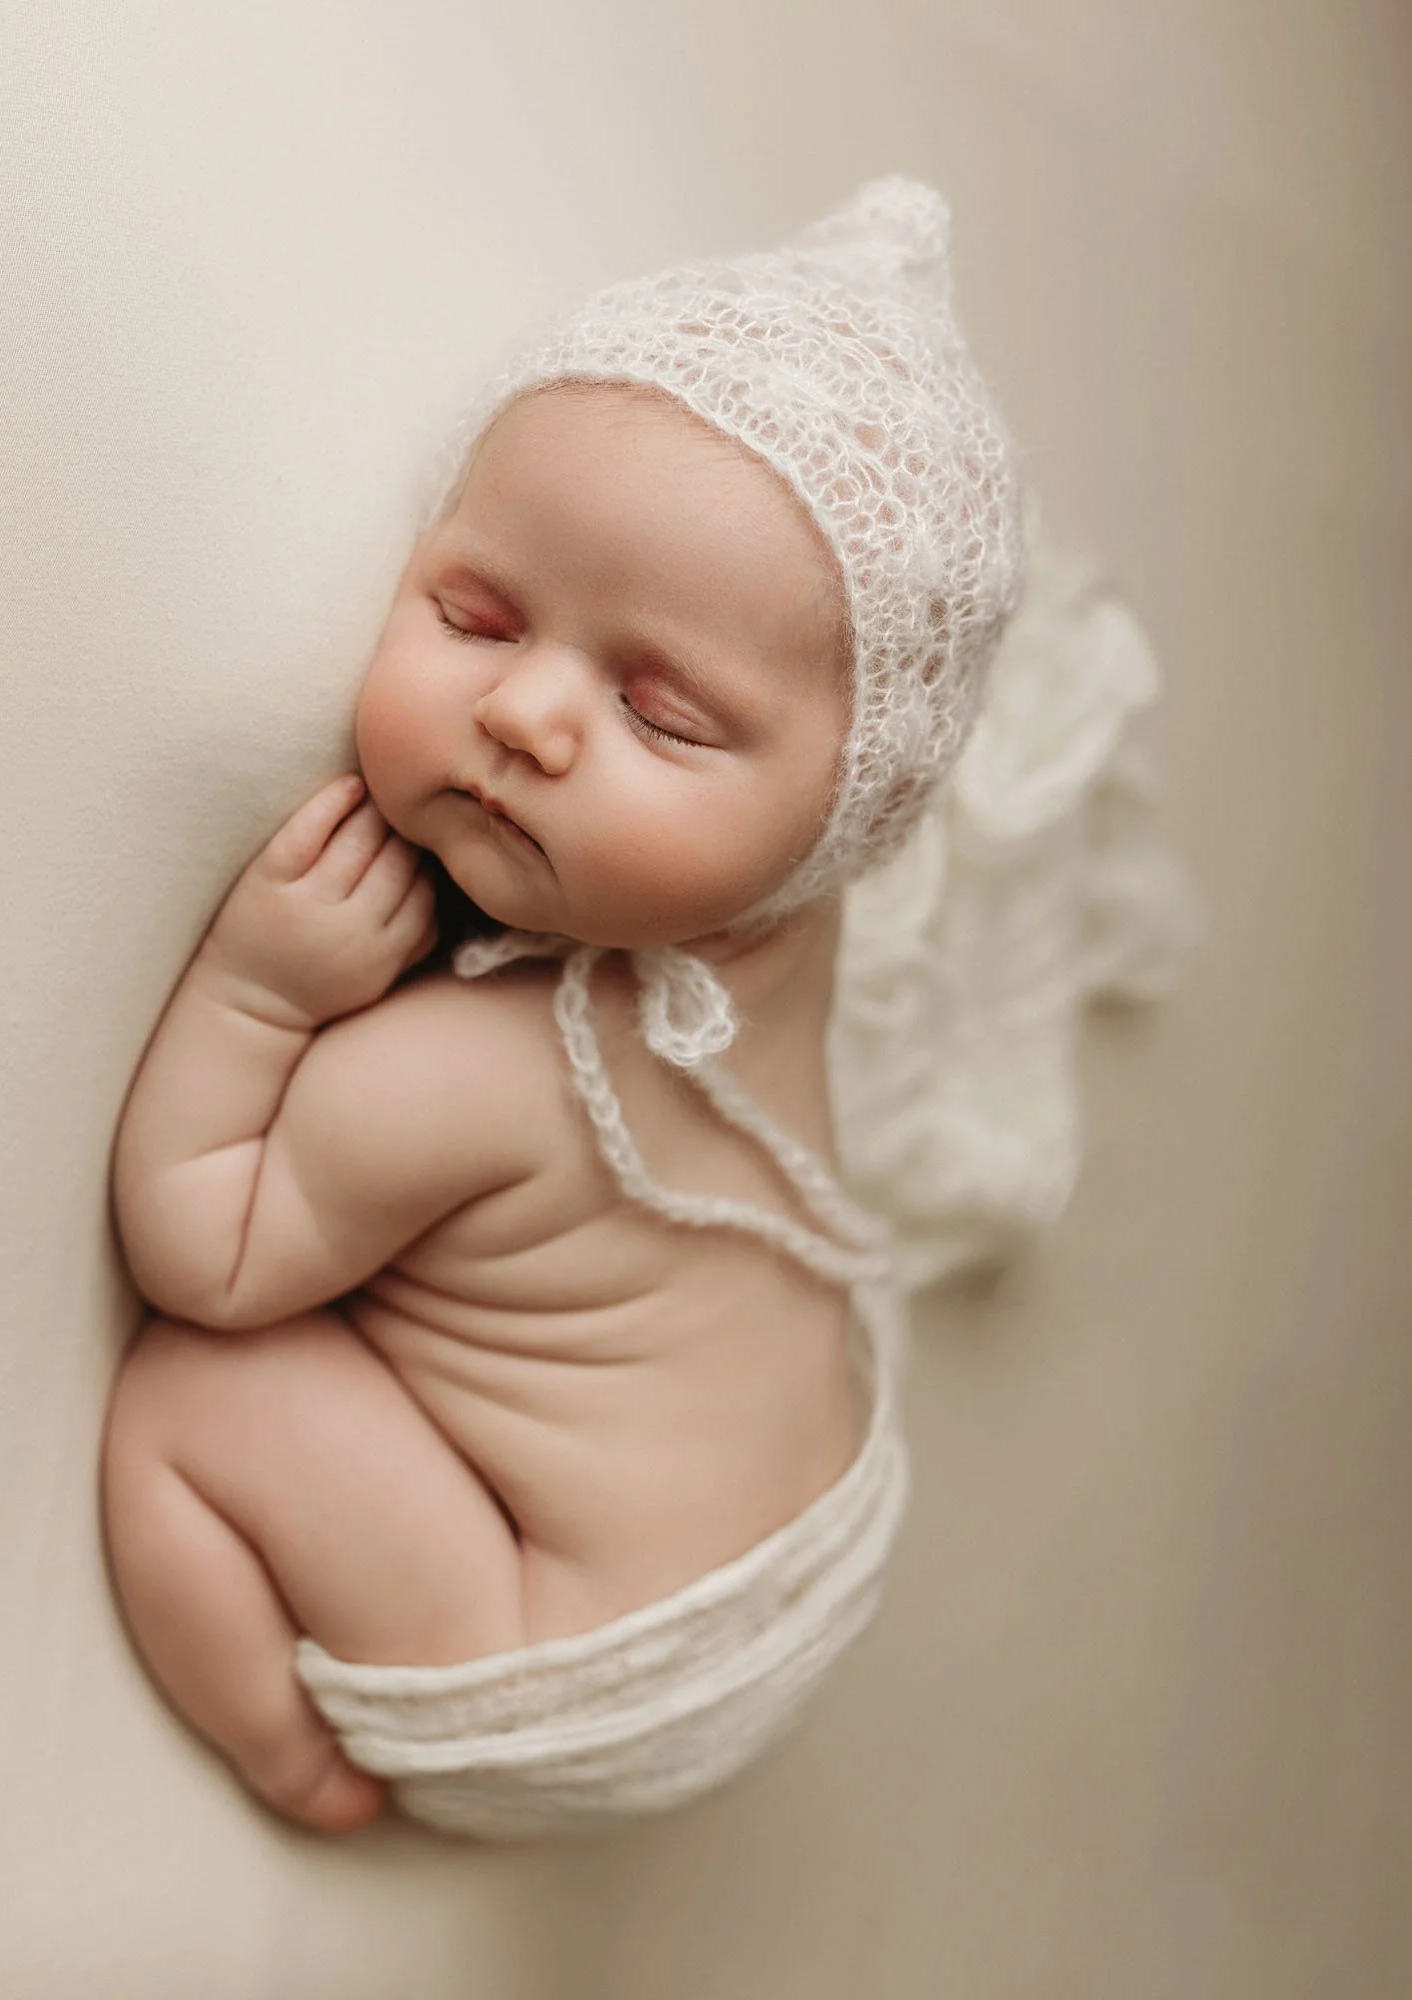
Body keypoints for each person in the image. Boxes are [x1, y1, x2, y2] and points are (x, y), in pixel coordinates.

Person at [101, 177, 1194, 1842]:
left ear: (841, 818)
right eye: (475, 613)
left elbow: (208, 1256)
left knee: (188, 1397)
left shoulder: (471, 1076)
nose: (527, 711)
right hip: (819, 1524)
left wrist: (258, 987)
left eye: (664, 714)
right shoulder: (793, 919)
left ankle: (293, 1762)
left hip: (571, 1654)